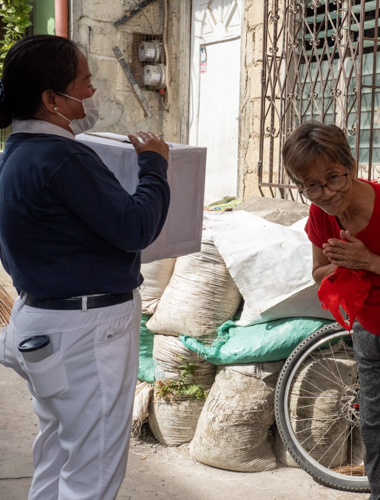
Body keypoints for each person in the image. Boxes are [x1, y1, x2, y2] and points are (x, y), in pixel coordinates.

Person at [0, 35, 170, 500]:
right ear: (51, 99)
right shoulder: (62, 157)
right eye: (85, 82)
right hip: (87, 330)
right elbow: (136, 227)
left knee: (57, 448)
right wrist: (155, 166)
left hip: (43, 323)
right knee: (91, 470)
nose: (92, 93)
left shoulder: (16, 154)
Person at [282, 122, 380, 500]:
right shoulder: (320, 215)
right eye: (312, 185)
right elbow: (320, 272)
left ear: (351, 165)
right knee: (373, 424)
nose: (326, 193)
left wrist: (369, 261)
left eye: (334, 178)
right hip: (366, 329)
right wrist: (345, 264)